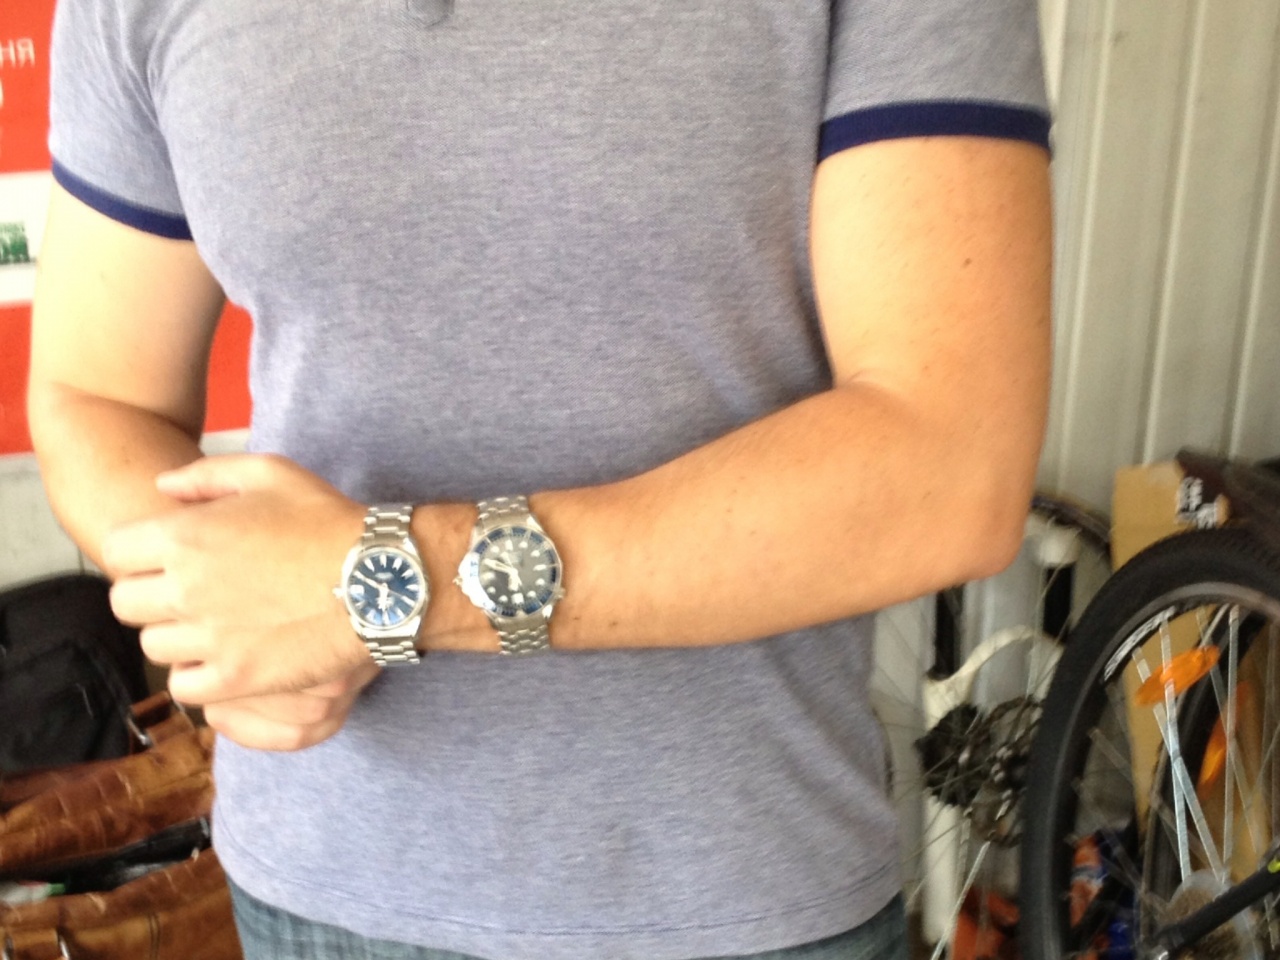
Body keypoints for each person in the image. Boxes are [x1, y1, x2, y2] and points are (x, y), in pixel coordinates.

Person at [28, 0, 1052, 957]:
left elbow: (948, 461)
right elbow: (96, 394)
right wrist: (216, 608)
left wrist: (384, 587)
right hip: (316, 888)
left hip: (736, 895)